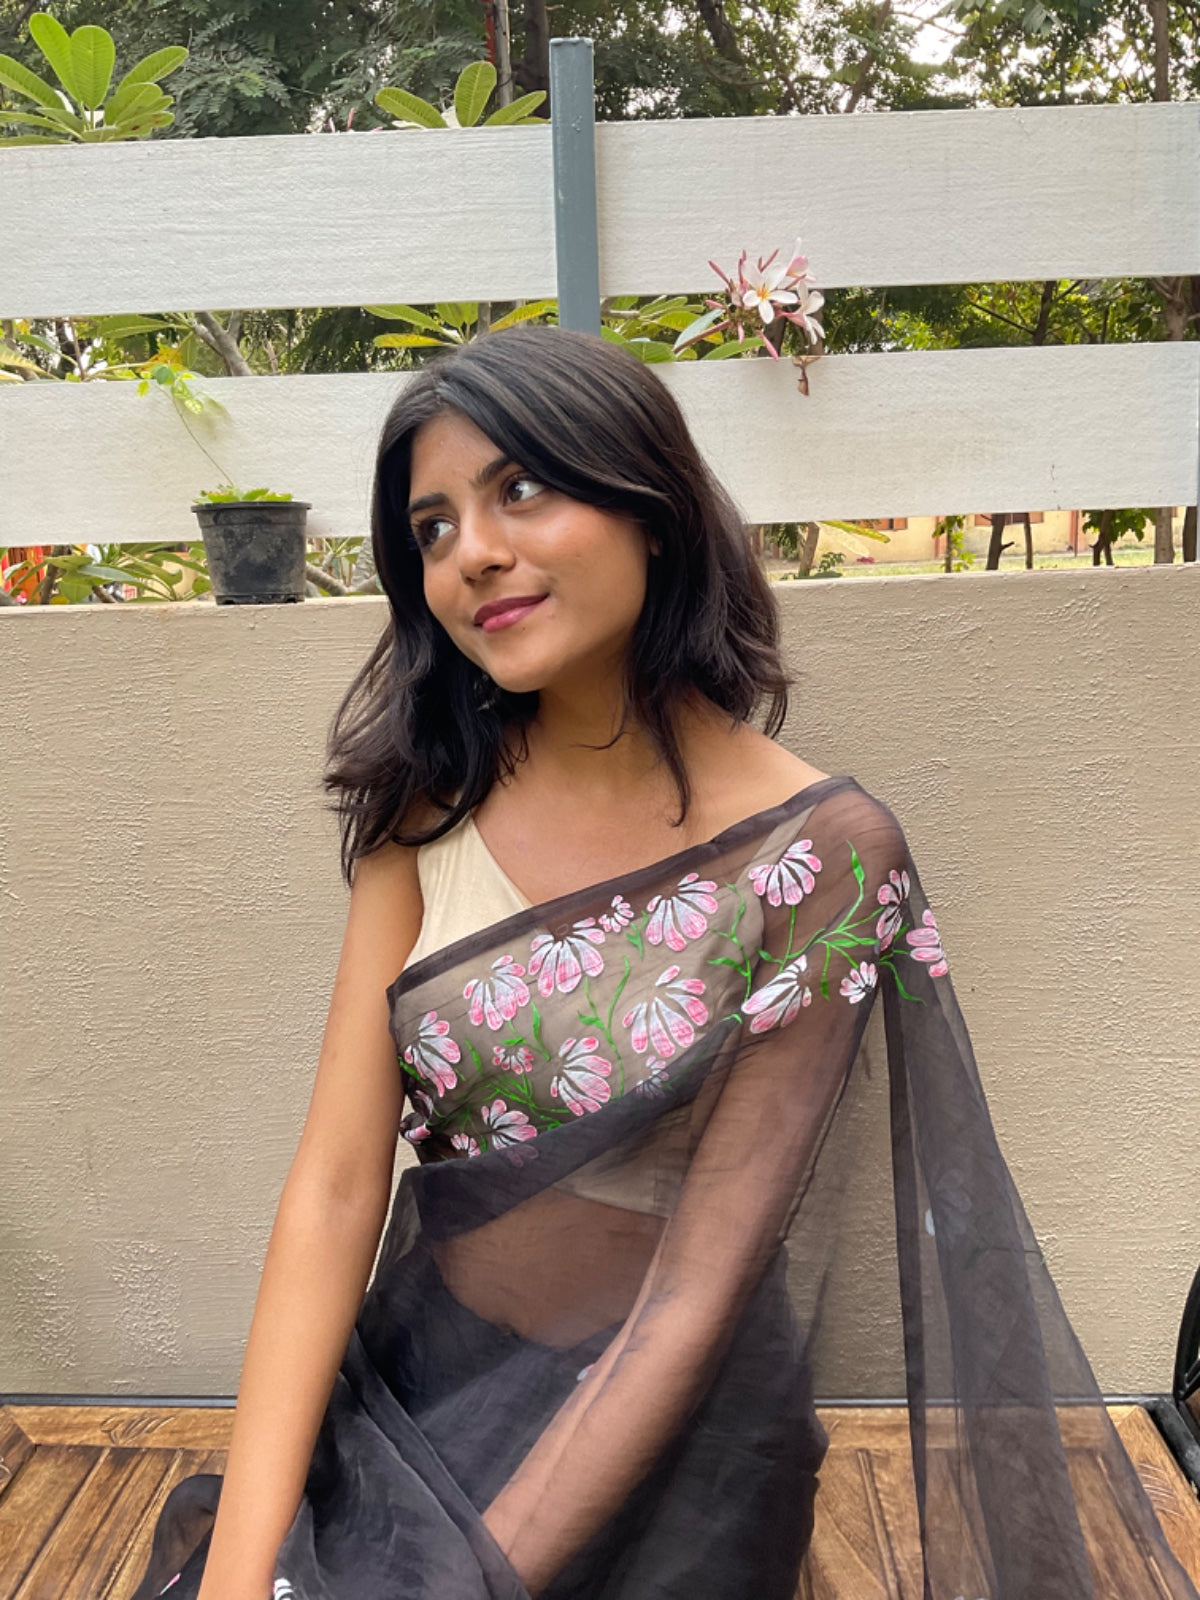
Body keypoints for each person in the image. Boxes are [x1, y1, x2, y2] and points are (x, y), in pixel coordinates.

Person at [132, 325, 1198, 1600]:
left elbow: (693, 1293)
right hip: (420, 1395)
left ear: (650, 504)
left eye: (520, 487)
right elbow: (336, 1186)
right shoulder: (426, 815)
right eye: (431, 527)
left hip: (681, 1446)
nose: (471, 551)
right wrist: (240, 1579)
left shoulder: (819, 859)